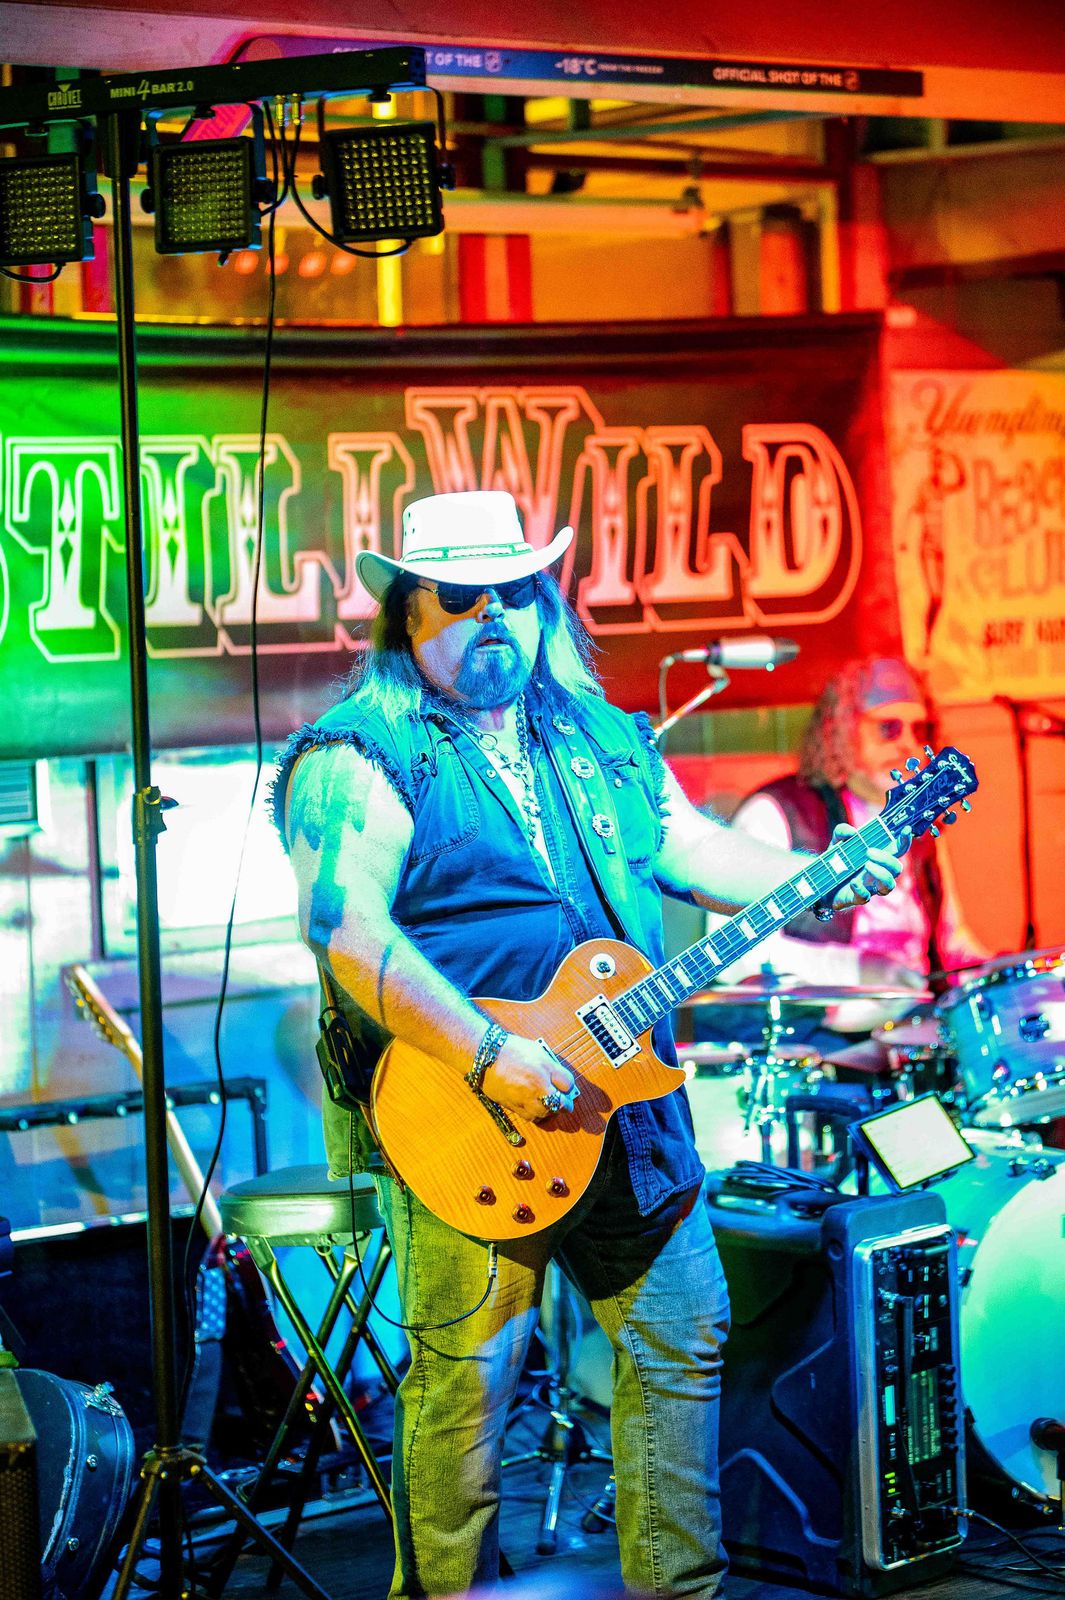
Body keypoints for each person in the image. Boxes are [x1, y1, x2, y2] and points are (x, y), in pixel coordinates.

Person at [271, 490, 905, 1600]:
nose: (493, 615)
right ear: (406, 611)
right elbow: (344, 929)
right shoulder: (359, 755)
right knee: (465, 1392)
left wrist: (824, 874)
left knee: (682, 1344)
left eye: (514, 591)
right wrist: (488, 1052)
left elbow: (695, 850)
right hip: (470, 1114)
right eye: (459, 597)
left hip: (630, 1112)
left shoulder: (602, 738)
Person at [708, 655, 986, 1038]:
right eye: (888, 727)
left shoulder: (920, 822)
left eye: (920, 729)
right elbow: (734, 956)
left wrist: (1002, 971)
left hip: (917, 1034)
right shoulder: (778, 813)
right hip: (815, 1042)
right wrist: (858, 969)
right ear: (841, 729)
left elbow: (952, 944)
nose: (909, 744)